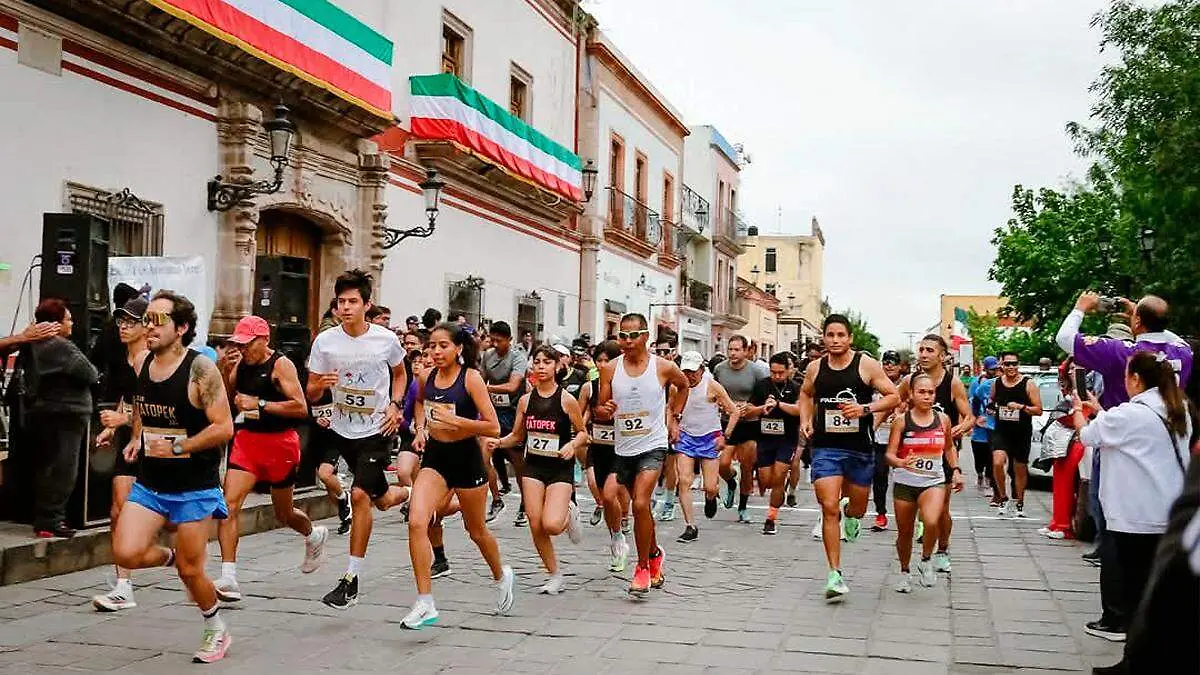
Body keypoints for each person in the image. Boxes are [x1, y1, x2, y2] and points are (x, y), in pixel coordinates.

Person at [111, 291, 235, 663]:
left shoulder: (201, 370)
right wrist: (136, 437)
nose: (148, 326)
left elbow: (224, 427)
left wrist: (182, 448)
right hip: (151, 483)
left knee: (193, 571)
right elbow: (141, 406)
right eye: (146, 319)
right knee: (126, 552)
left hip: (193, 487)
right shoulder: (143, 361)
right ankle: (172, 559)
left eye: (157, 320)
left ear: (181, 328)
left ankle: (215, 627)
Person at [306, 270, 411, 610]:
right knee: (380, 500)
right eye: (341, 302)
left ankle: (350, 580)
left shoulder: (385, 339)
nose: (346, 307)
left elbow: (400, 372)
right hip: (341, 429)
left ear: (367, 305)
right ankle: (410, 492)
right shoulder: (325, 342)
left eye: (353, 301)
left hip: (377, 430)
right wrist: (323, 383)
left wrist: (395, 405)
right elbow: (310, 391)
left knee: (360, 494)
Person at [1073, 351, 1194, 643]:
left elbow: (1088, 436)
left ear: (1136, 379)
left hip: (1132, 515)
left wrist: (1079, 411)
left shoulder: (1128, 414)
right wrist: (1101, 410)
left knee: (1127, 576)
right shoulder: (1179, 409)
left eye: (1127, 374)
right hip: (1167, 510)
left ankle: (1118, 624)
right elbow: (1121, 430)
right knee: (1152, 584)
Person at [403, 323, 514, 629]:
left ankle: (501, 576)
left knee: (475, 530)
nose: (436, 352)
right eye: (432, 347)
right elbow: (421, 404)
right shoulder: (426, 377)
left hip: (467, 459)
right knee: (417, 521)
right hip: (437, 457)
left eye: (443, 346)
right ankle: (425, 601)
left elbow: (492, 427)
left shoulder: (472, 379)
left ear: (458, 349)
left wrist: (458, 422)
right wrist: (422, 429)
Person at [213, 316, 328, 603]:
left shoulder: (281, 365)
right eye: (238, 343)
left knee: (283, 513)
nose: (242, 348)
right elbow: (228, 402)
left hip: (279, 444)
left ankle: (313, 533)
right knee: (229, 506)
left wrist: (261, 404)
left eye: (247, 343)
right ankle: (228, 577)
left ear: (264, 340)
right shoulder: (238, 365)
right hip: (247, 442)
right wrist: (223, 370)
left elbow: (301, 408)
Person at [799, 314, 900, 602]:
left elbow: (893, 397)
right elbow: (806, 395)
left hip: (859, 447)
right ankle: (835, 574)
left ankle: (853, 516)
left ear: (850, 338)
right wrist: (806, 419)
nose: (835, 340)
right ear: (824, 338)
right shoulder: (815, 368)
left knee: (855, 507)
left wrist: (864, 409)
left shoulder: (866, 365)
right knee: (829, 507)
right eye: (830, 335)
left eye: (840, 335)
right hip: (825, 446)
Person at [594, 313, 689, 595]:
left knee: (639, 503)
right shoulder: (610, 368)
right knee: (609, 495)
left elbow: (684, 385)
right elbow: (601, 407)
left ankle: (643, 567)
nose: (626, 341)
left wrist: (674, 416)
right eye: (622, 335)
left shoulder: (663, 367)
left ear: (646, 336)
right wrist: (605, 410)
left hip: (653, 444)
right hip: (624, 447)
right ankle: (655, 553)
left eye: (633, 335)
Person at [485, 346, 587, 594]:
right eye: (537, 362)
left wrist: (572, 445)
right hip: (533, 466)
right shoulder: (524, 401)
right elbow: (518, 436)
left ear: (557, 366)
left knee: (551, 524)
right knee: (535, 522)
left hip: (559, 468)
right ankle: (554, 574)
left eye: (547, 362)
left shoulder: (566, 399)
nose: (541, 367)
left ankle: (569, 511)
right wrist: (499, 442)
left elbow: (584, 433)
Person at [23, 298, 99, 538]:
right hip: (67, 413)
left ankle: (48, 518)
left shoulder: (33, 345)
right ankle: (51, 519)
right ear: (55, 324)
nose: (72, 323)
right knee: (64, 468)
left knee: (50, 466)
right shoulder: (60, 346)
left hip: (46, 411)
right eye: (68, 319)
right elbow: (89, 372)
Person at [897, 335, 973, 573]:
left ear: (942, 356)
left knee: (942, 509)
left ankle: (942, 550)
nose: (923, 354)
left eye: (930, 350)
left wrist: (963, 425)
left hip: (942, 452)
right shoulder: (909, 381)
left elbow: (968, 415)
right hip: (912, 454)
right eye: (921, 349)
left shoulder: (952, 383)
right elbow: (894, 402)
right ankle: (917, 551)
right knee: (914, 509)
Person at [91, 297, 148, 611]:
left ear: (145, 326)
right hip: (130, 438)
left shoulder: (149, 359)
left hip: (152, 441)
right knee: (118, 510)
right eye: (121, 322)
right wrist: (113, 427)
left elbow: (152, 406)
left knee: (167, 517)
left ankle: (180, 557)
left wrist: (129, 426)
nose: (124, 327)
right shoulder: (123, 357)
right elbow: (129, 400)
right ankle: (123, 584)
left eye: (131, 322)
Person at [885, 373, 964, 593]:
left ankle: (926, 559)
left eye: (931, 392)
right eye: (922, 392)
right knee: (905, 532)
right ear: (911, 394)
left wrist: (956, 470)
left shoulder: (943, 419)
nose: (927, 396)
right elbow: (889, 454)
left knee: (931, 521)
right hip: (905, 482)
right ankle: (904, 571)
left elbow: (949, 447)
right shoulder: (902, 421)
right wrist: (900, 462)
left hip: (933, 480)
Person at [674, 350, 740, 542]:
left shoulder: (712, 386)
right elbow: (670, 409)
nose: (689, 376)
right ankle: (690, 526)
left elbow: (734, 411)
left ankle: (711, 498)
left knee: (710, 487)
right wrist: (673, 427)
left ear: (702, 370)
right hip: (686, 437)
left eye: (693, 371)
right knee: (684, 480)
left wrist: (724, 437)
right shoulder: (677, 386)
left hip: (709, 438)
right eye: (685, 371)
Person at [578, 340, 632, 570]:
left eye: (606, 360)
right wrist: (582, 432)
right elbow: (582, 416)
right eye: (598, 360)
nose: (601, 365)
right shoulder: (589, 388)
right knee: (601, 492)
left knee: (610, 495)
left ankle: (621, 535)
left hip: (621, 450)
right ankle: (616, 535)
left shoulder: (626, 386)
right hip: (598, 447)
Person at [747, 352, 803, 535]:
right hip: (765, 438)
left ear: (788, 371)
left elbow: (799, 410)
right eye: (773, 372)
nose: (777, 376)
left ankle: (771, 518)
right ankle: (778, 492)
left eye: (780, 372)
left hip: (787, 439)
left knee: (778, 477)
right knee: (766, 480)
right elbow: (748, 412)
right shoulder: (761, 386)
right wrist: (762, 408)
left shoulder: (795, 388)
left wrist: (778, 405)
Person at [713, 335, 765, 523]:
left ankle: (743, 506)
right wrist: (719, 404)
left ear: (745, 351)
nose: (733, 353)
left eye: (737, 349)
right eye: (730, 349)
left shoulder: (756, 371)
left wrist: (750, 406)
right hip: (727, 422)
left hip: (749, 423)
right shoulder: (720, 369)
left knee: (747, 466)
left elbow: (763, 394)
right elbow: (713, 392)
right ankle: (731, 482)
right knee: (723, 464)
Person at [481, 321, 528, 523]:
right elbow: (481, 379)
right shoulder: (487, 356)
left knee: (518, 463)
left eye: (499, 341)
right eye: (492, 340)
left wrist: (486, 390)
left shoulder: (518, 357)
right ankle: (497, 499)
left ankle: (525, 503)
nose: (495, 344)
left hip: (513, 413)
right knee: (484, 456)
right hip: (492, 413)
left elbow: (513, 386)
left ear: (509, 340)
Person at [989, 350, 1043, 518]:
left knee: (1019, 468)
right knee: (998, 462)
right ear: (1001, 365)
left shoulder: (1028, 384)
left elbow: (1039, 410)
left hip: (1021, 431)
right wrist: (991, 410)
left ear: (1018, 365)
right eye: (1007, 364)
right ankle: (1003, 497)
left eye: (1014, 364)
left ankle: (1019, 501)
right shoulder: (996, 383)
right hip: (1001, 430)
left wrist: (1021, 407)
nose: (1011, 367)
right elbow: (991, 403)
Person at [870, 350, 904, 531]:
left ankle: (911, 517)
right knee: (879, 477)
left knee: (905, 480)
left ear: (900, 366)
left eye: (893, 362)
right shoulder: (873, 385)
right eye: (886, 362)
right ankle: (881, 513)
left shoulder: (905, 386)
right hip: (879, 439)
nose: (889, 366)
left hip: (902, 441)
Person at [652, 334, 681, 522]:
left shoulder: (678, 372)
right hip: (653, 423)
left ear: (674, 352)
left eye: (666, 351)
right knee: (653, 465)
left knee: (671, 466)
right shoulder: (651, 369)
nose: (662, 354)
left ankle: (670, 502)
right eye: (659, 351)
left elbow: (677, 403)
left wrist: (674, 424)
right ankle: (652, 499)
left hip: (674, 422)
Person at [969, 356, 999, 489]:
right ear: (985, 368)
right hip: (979, 428)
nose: (994, 371)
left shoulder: (999, 382)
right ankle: (980, 473)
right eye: (991, 369)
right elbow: (973, 400)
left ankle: (989, 478)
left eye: (996, 368)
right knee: (979, 455)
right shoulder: (977, 383)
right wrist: (976, 417)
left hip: (993, 427)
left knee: (991, 454)